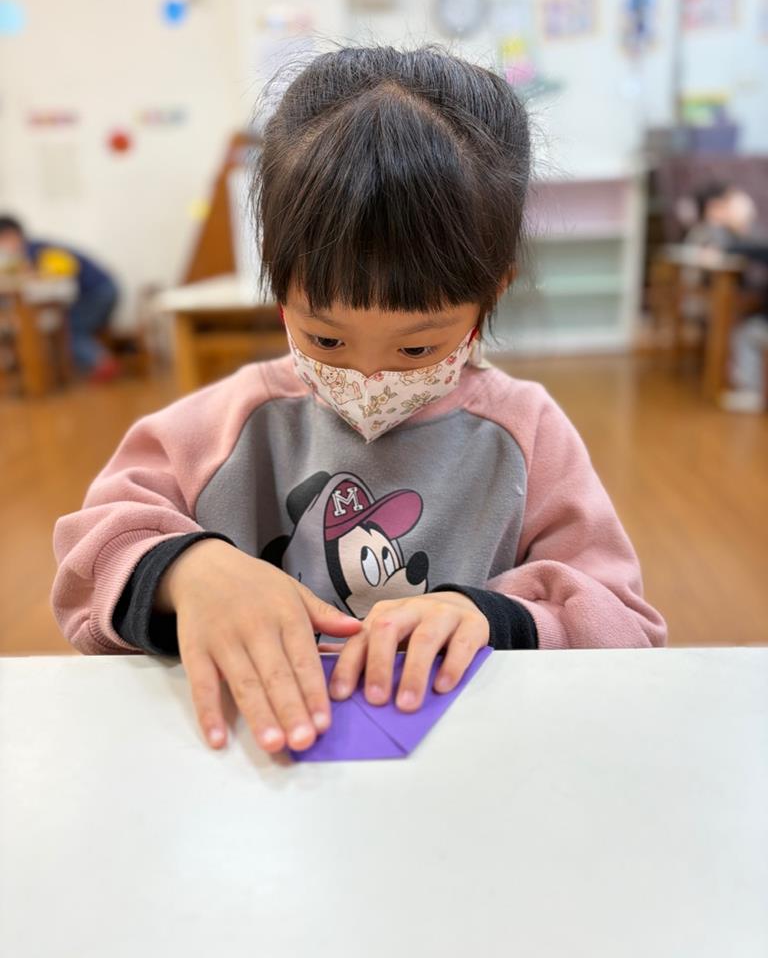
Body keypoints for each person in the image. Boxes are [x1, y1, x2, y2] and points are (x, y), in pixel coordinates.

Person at [51, 45, 667, 758]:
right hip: (260, 765)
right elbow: (90, 562)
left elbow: (625, 626)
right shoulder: (225, 426)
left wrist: (495, 618)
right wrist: (185, 573)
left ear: (492, 292)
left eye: (417, 348)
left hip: (469, 761)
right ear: (278, 282)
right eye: (327, 339)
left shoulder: (524, 435)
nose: (369, 378)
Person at [0, 215, 121, 382]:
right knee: (62, 325)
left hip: (99, 292)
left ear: (12, 235)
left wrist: (28, 275)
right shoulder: (34, 251)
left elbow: (57, 278)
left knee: (67, 328)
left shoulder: (36, 252)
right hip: (100, 290)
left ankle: (101, 362)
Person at [681, 183, 768, 412]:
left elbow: (753, 249)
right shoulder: (709, 232)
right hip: (711, 298)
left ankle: (749, 389)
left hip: (738, 301)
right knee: (740, 329)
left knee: (745, 333)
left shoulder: (740, 235)